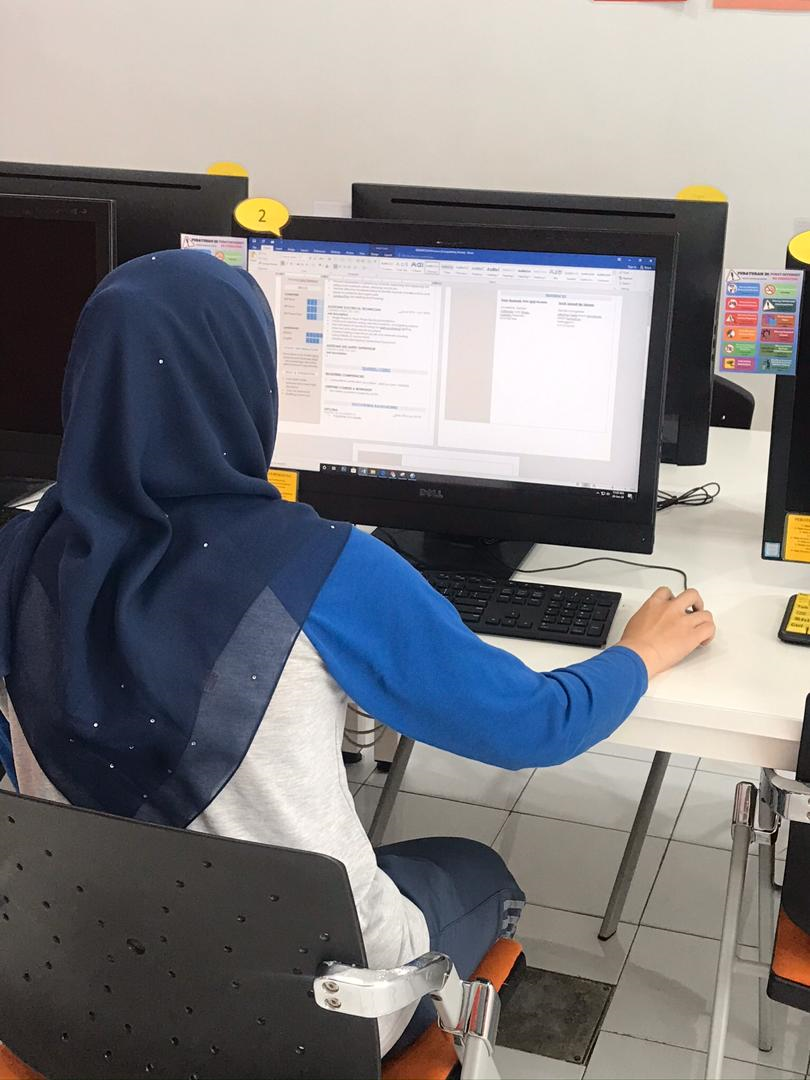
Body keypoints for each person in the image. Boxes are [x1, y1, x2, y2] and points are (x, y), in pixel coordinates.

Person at [0, 252, 716, 1056]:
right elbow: (533, 727)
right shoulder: (324, 567)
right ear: (248, 384)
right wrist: (637, 654)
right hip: (311, 1026)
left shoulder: (19, 554)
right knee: (475, 870)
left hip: (76, 997)